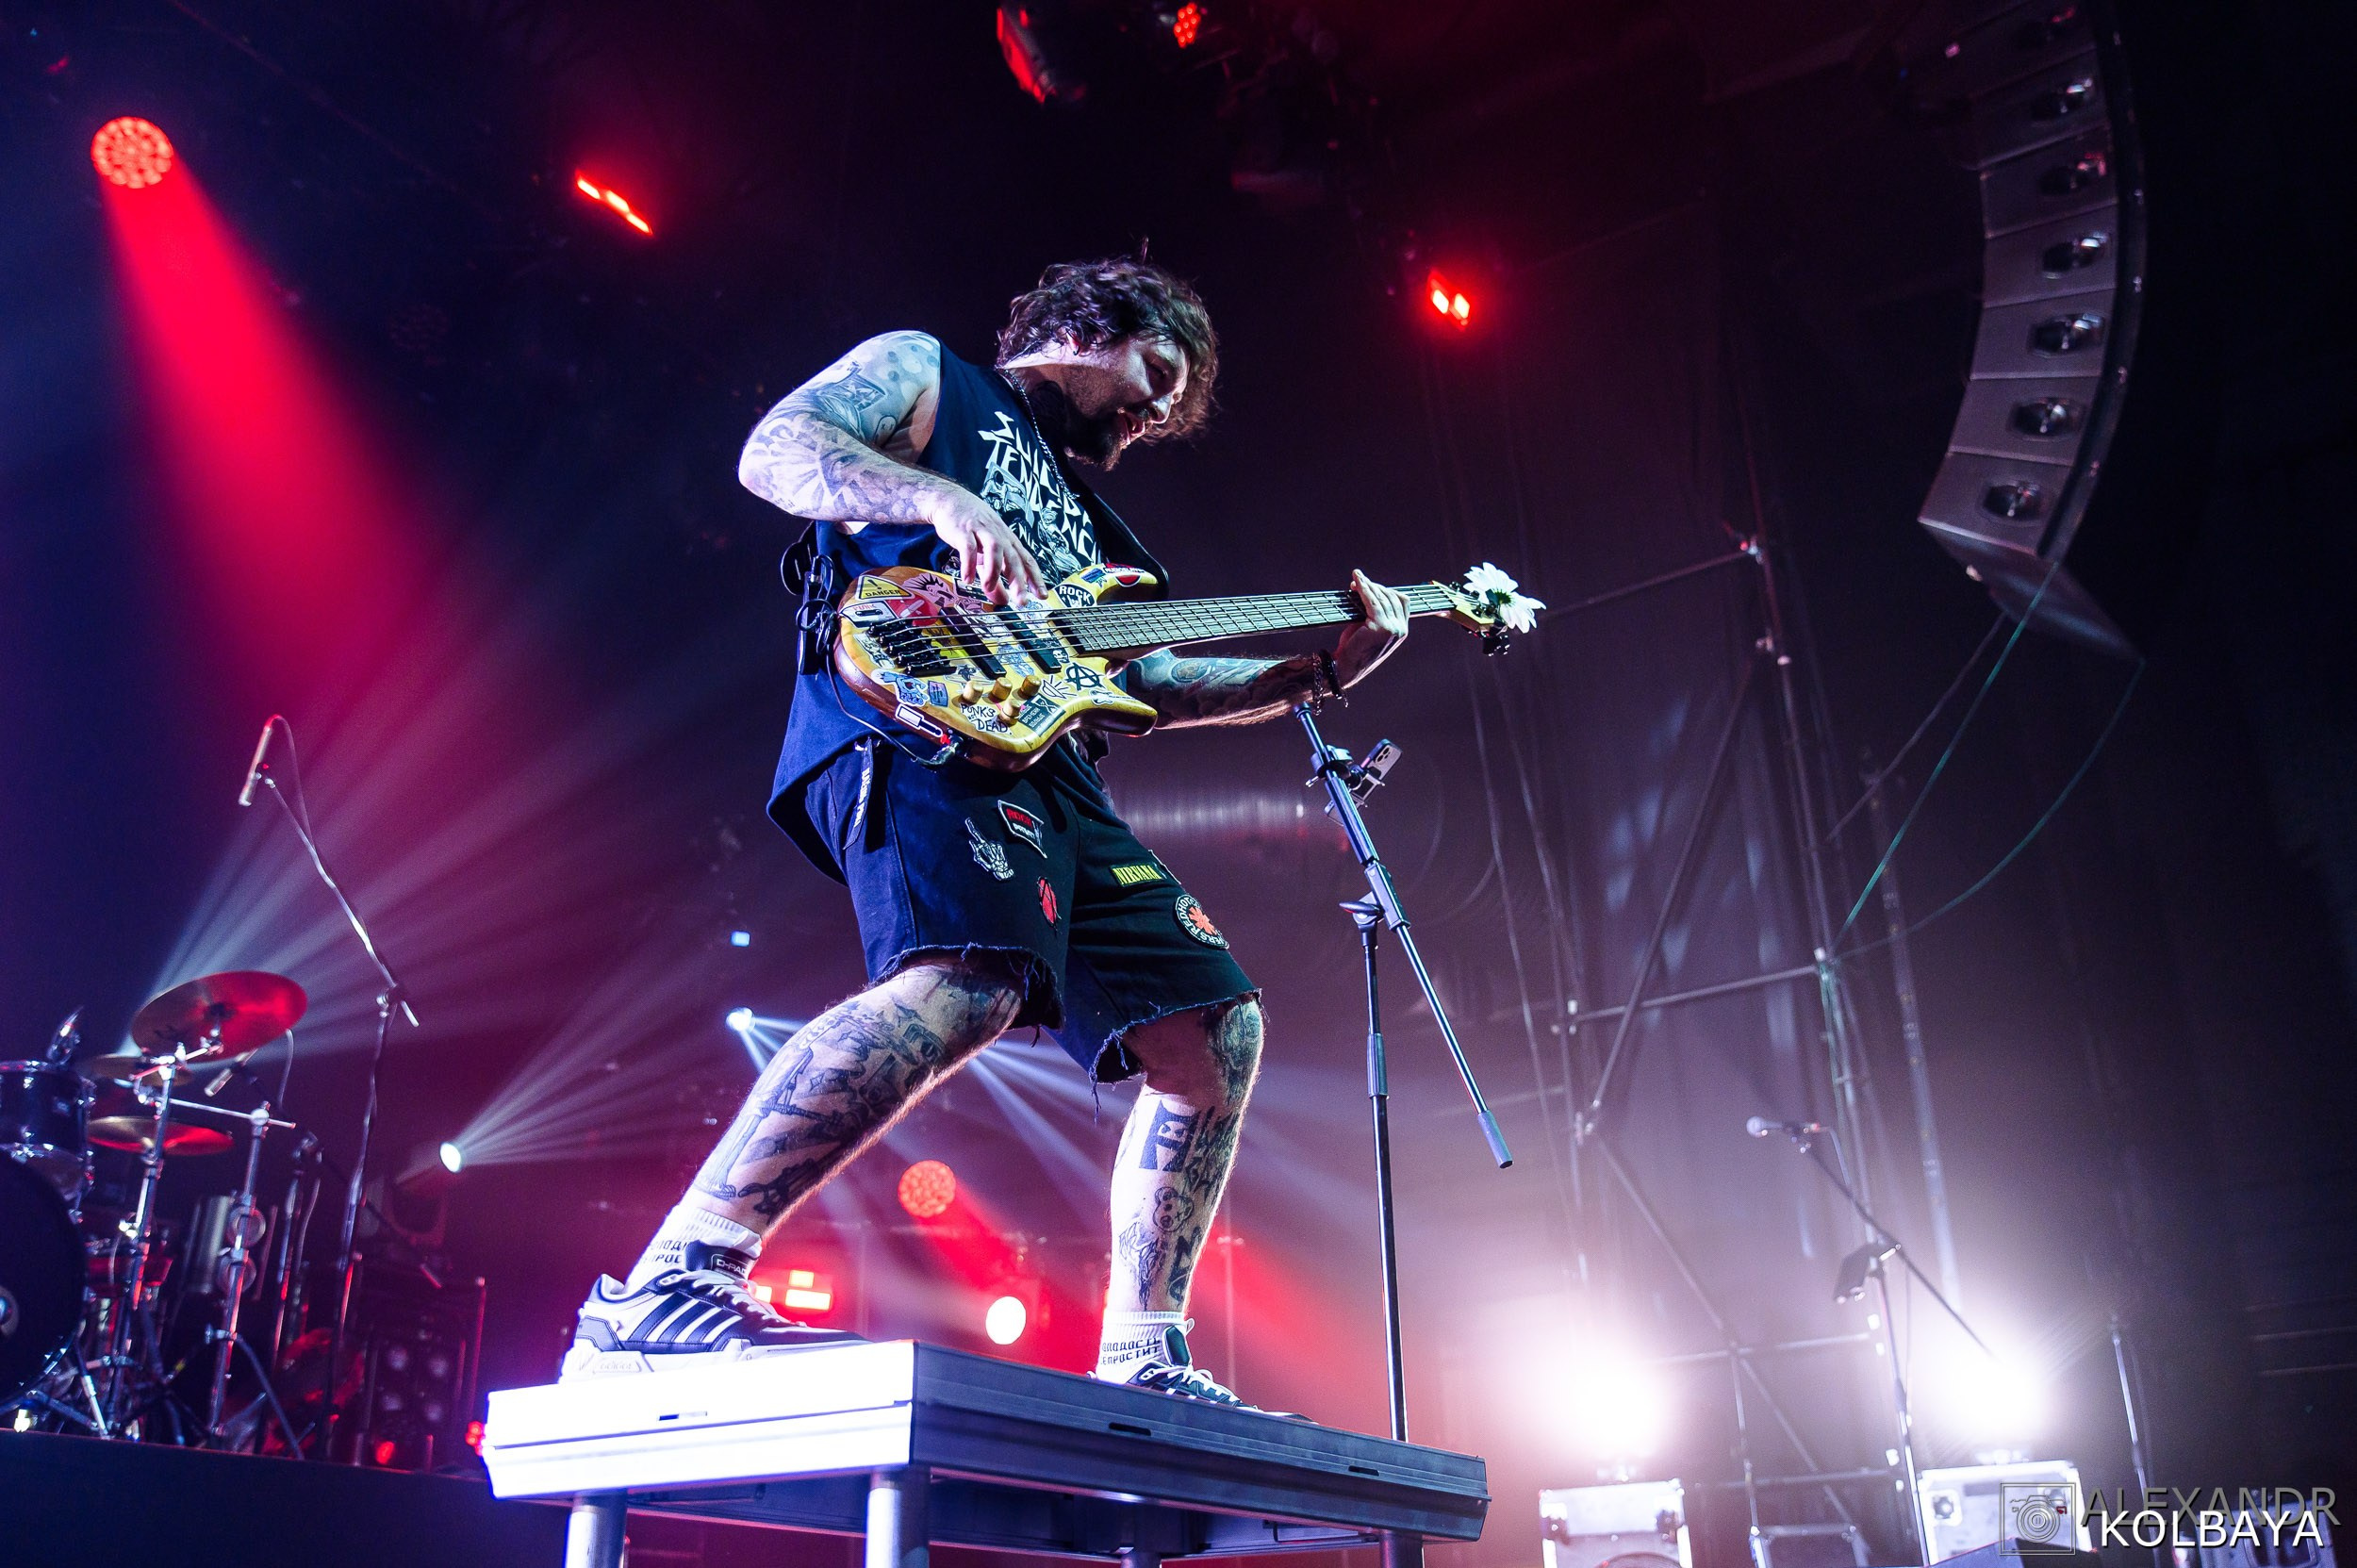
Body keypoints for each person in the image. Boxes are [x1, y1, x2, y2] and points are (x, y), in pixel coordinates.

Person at [566, 257, 1409, 1407]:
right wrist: (938, 497)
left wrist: (1315, 670)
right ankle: (669, 1279)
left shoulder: (1105, 536)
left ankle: (1144, 1353)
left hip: (1057, 768)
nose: (1158, 412)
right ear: (1080, 326)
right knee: (970, 979)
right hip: (916, 715)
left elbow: (1150, 679)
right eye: (1153, 374)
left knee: (1218, 1032)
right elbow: (771, 449)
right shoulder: (929, 376)